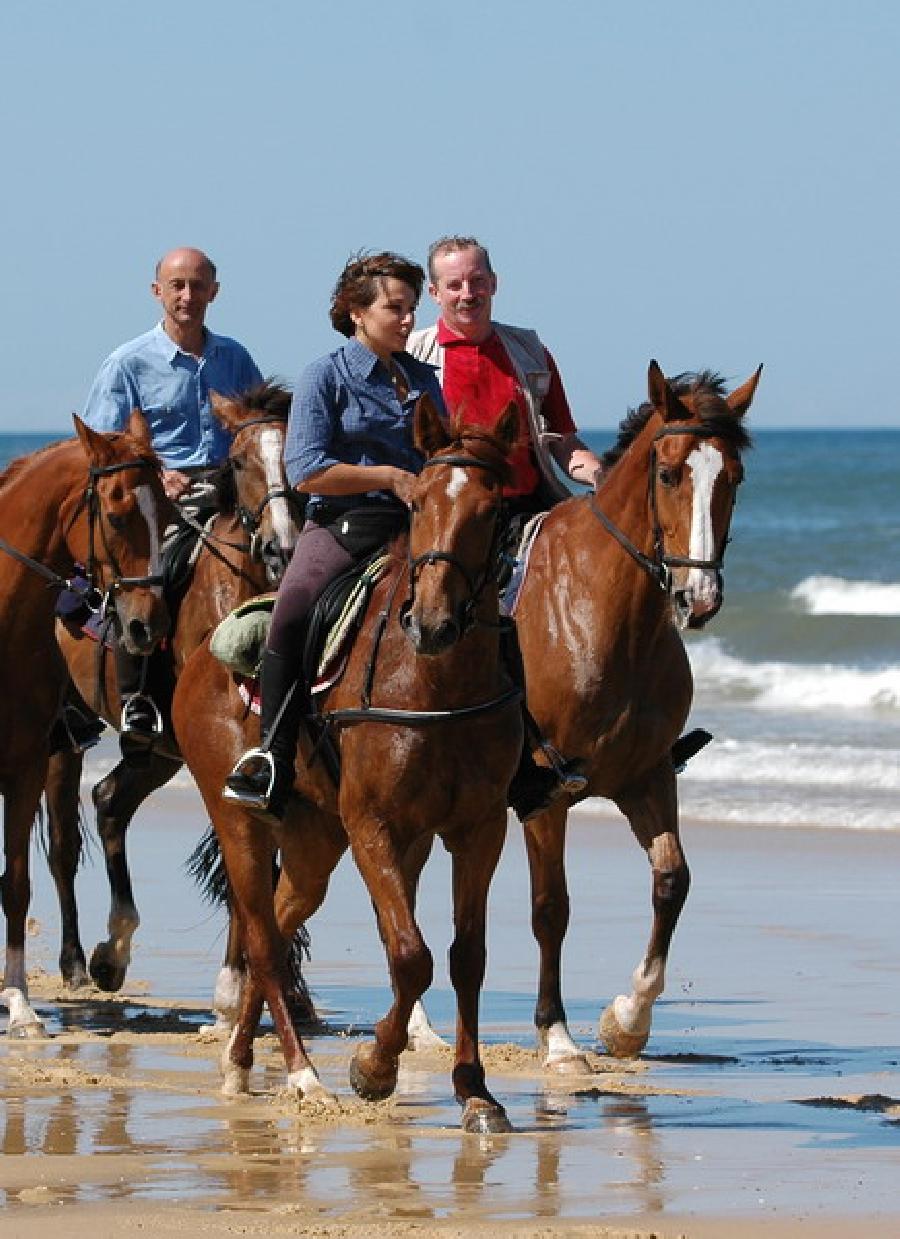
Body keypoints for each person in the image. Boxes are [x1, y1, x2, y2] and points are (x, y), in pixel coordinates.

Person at [223, 251, 446, 823]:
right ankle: (271, 754)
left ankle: (525, 751)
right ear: (356, 312)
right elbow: (306, 470)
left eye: (411, 309)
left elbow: (440, 453)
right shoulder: (327, 375)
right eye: (395, 308)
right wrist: (389, 476)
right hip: (346, 525)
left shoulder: (423, 378)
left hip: (417, 525)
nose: (406, 320)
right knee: (293, 609)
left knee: (493, 600)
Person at [407, 236, 603, 822]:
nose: (468, 292)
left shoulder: (528, 349)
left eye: (477, 280)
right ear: (435, 292)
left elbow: (562, 437)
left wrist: (599, 473)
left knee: (623, 571)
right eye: (455, 284)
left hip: (532, 499)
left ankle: (638, 731)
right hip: (456, 516)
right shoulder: (414, 357)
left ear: (494, 282)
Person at [81, 246, 263, 758]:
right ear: (157, 291)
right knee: (151, 572)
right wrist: (160, 476)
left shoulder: (236, 357)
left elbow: (252, 428)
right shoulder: (127, 363)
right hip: (160, 500)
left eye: (198, 285)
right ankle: (137, 697)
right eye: (177, 285)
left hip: (230, 492)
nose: (188, 295)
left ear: (214, 292)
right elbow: (103, 448)